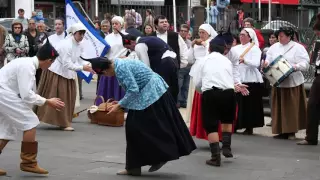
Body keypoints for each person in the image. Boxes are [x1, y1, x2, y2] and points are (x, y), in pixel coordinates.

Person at [82, 56, 197, 176]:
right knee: (138, 128)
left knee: (140, 127)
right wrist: (122, 102)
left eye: (103, 74)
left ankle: (155, 158)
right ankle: (135, 166)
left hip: (152, 94)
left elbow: (133, 90)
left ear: (105, 71)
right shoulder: (118, 63)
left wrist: (120, 104)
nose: (106, 76)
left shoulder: (120, 68)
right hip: (150, 92)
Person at [0, 36, 64, 176]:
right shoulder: (28, 66)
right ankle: (28, 163)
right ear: (48, 60)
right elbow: (27, 95)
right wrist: (48, 101)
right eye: (51, 63)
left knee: (7, 129)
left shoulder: (27, 63)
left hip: (4, 94)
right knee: (30, 121)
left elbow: (27, 94)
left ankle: (28, 162)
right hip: (3, 94)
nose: (50, 66)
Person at [35, 23, 94, 131]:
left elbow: (79, 59)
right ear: (74, 33)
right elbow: (67, 64)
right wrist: (82, 68)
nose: (81, 36)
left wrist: (90, 65)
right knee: (59, 96)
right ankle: (62, 122)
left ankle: (64, 121)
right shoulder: (66, 45)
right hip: (57, 73)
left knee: (69, 97)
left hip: (68, 73)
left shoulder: (79, 44)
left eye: (83, 34)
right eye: (80, 34)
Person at [194, 33, 236, 167]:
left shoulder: (204, 60)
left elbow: (198, 82)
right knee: (227, 119)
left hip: (211, 92)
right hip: (229, 92)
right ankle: (227, 147)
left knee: (211, 125)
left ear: (209, 49)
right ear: (224, 50)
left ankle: (215, 157)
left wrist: (202, 91)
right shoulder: (227, 61)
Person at [263, 27, 309, 140]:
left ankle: (291, 131)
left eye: (282, 36)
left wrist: (295, 66)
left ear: (289, 36)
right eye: (278, 35)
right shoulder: (274, 47)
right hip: (277, 80)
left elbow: (306, 63)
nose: (279, 38)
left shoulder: (298, 48)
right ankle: (281, 130)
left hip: (292, 82)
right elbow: (268, 58)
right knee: (278, 107)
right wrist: (266, 63)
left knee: (291, 107)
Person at [119, 33, 179, 102]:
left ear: (132, 42)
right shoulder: (148, 38)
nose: (131, 50)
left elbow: (145, 67)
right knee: (172, 88)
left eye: (129, 48)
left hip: (165, 64)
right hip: (173, 61)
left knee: (164, 91)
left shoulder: (139, 45)